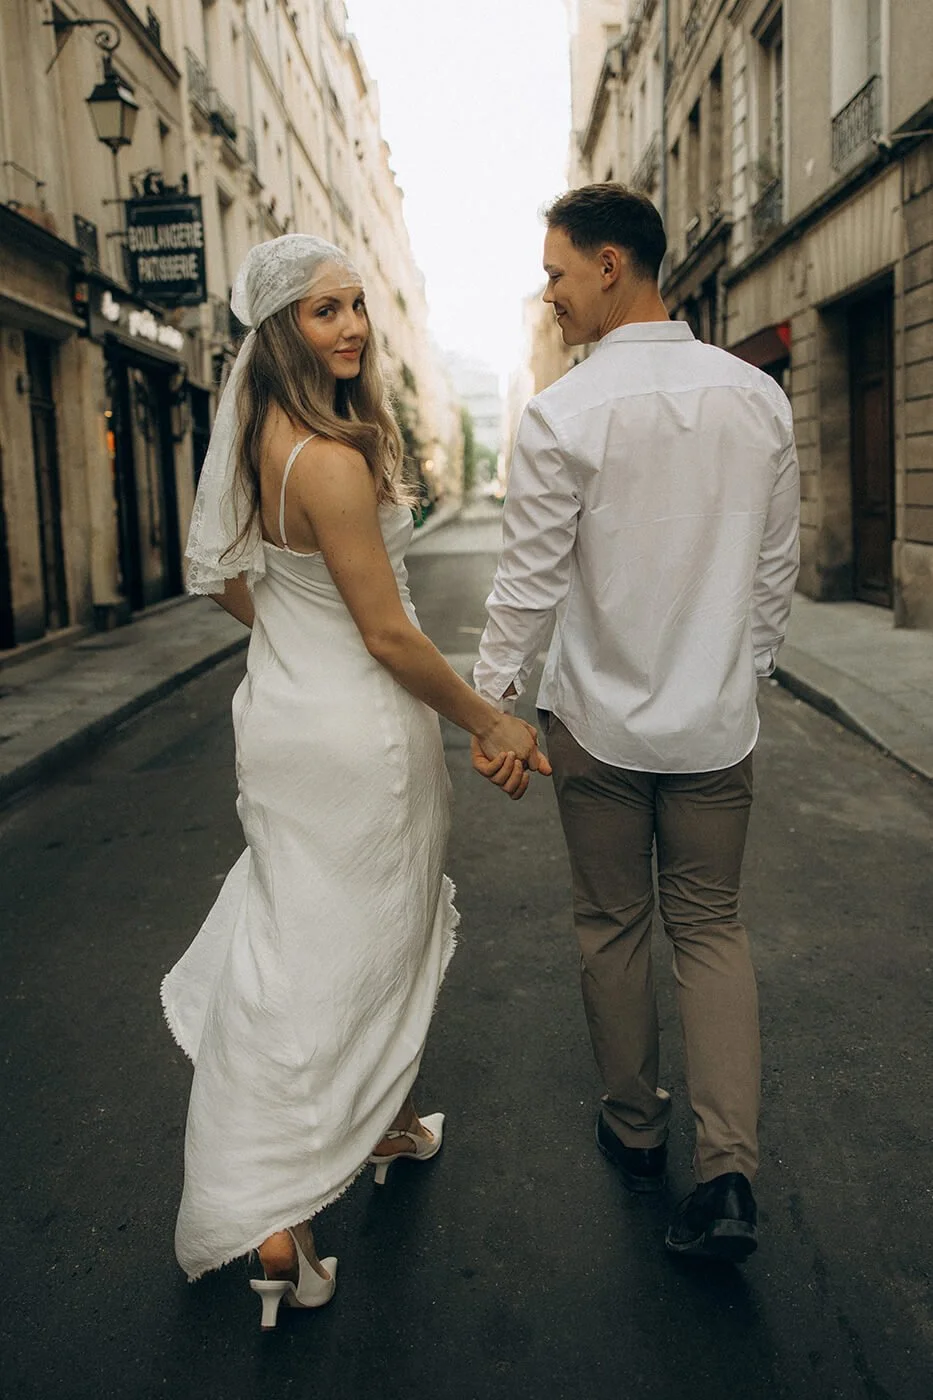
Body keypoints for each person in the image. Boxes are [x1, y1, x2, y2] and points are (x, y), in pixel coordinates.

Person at [162, 234, 550, 1329]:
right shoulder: (330, 459)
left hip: (284, 717)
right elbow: (386, 633)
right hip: (360, 736)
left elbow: (227, 579)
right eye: (323, 310)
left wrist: (296, 635)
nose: (352, 328)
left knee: (315, 934)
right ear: (281, 329)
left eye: (357, 305)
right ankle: (277, 1209)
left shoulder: (259, 440)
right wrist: (491, 719)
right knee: (359, 945)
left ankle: (385, 1126)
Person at [473, 184, 799, 1262]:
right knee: (711, 928)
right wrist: (740, 674)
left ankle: (634, 1130)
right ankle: (729, 1174)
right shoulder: (756, 397)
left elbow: (528, 583)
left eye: (558, 272)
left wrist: (491, 703)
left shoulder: (564, 413)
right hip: (716, 727)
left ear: (611, 265)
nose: (551, 295)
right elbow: (774, 571)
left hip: (598, 725)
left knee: (612, 925)